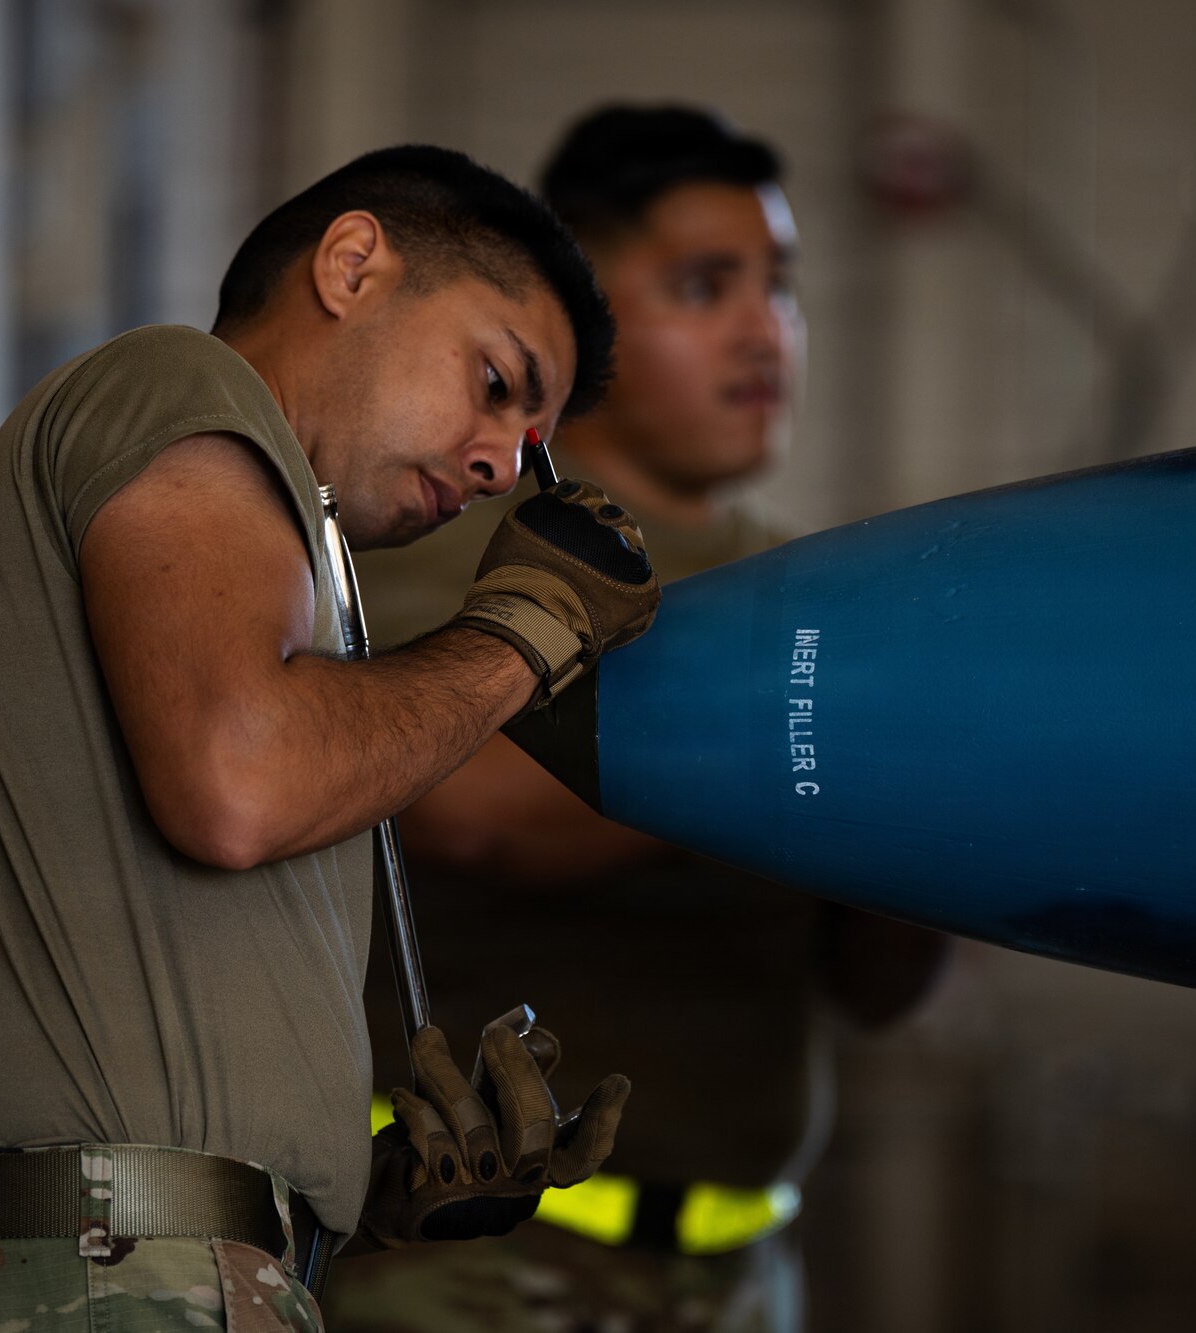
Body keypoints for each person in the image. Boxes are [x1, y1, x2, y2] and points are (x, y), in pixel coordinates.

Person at [0, 145, 662, 1332]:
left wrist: (350, 1187)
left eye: (528, 447)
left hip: (126, 1273)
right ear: (351, 265)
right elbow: (237, 783)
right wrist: (520, 634)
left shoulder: (305, 588)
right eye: (495, 381)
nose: (497, 467)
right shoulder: (178, 385)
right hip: (98, 1275)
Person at [324, 106, 948, 1333]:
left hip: (741, 1267)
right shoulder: (454, 542)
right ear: (580, 316)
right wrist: (838, 747)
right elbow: (478, 815)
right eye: (703, 286)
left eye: (779, 288)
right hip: (478, 1261)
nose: (761, 331)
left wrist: (952, 818)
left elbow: (875, 984)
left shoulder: (826, 595)